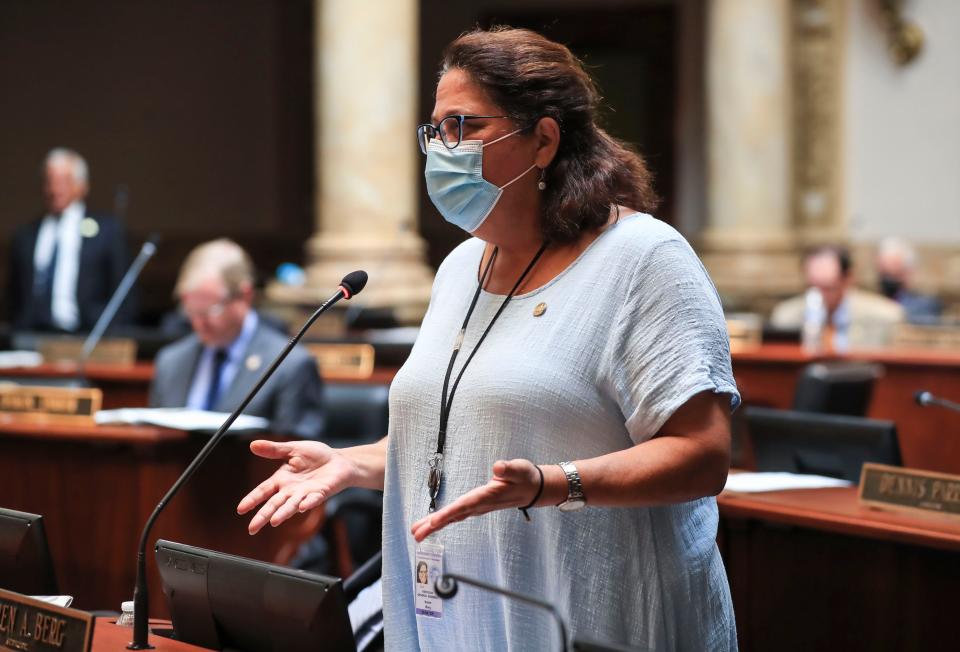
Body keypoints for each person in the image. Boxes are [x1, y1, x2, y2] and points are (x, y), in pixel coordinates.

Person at [238, 27, 739, 651]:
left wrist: (555, 483)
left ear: (544, 140)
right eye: (435, 130)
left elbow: (703, 454)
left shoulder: (643, 259)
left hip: (590, 616)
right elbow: (461, 435)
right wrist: (352, 463)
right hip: (459, 612)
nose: (441, 149)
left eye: (463, 127)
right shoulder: (460, 267)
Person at [149, 239, 324, 439]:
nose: (199, 323)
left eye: (211, 310)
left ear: (245, 296)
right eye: (191, 311)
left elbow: (298, 453)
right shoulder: (170, 361)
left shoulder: (290, 365)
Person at [6, 148, 133, 332]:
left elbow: (124, 295)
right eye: (50, 181)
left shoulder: (107, 232)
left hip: (86, 336)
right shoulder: (25, 235)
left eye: (64, 181)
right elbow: (14, 296)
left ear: (82, 185)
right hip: (32, 336)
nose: (55, 189)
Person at [770, 245, 904, 349]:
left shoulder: (884, 317)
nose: (819, 296)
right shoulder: (786, 317)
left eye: (828, 288)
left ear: (847, 279)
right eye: (813, 288)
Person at [875, 237, 942, 323]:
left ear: (907, 273)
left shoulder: (924, 306)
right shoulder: (872, 304)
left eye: (895, 273)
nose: (888, 279)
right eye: (884, 273)